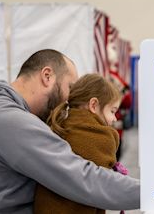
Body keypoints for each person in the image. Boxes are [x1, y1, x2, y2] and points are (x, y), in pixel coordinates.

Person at [0, 49, 140, 213]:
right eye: (70, 87)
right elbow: (83, 178)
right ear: (47, 76)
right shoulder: (9, 120)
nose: (70, 98)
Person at [34, 73, 127, 214]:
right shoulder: (100, 138)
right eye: (112, 111)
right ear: (94, 105)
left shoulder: (60, 124)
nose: (114, 118)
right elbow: (105, 188)